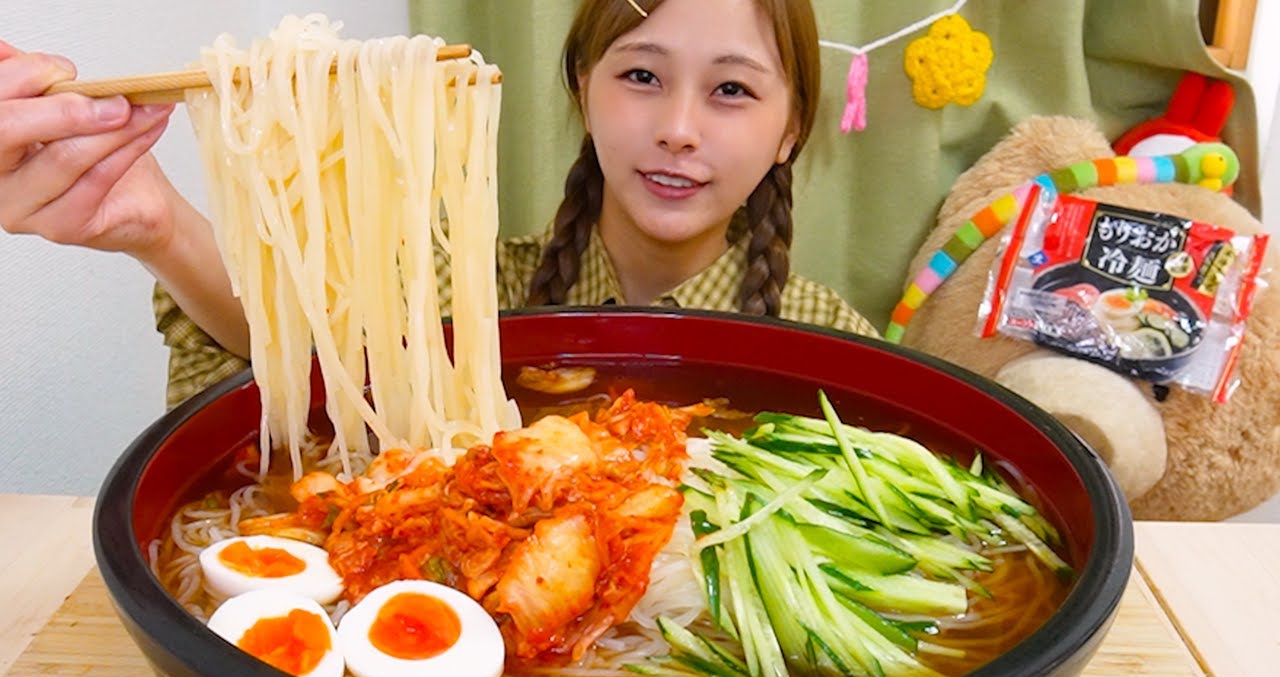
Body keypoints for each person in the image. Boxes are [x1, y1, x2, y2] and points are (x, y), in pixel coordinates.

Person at [0, 0, 876, 408]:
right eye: (642, 75)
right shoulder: (461, 278)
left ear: (791, 126)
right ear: (583, 88)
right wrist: (159, 225)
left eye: (731, 91)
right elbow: (314, 341)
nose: (679, 128)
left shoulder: (835, 347)